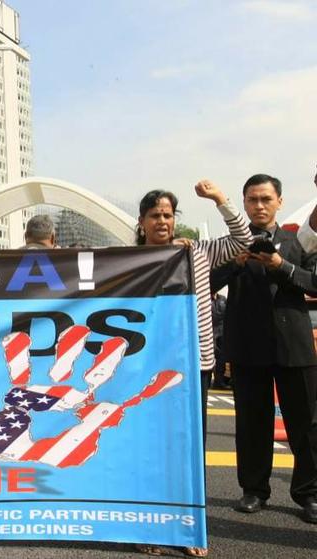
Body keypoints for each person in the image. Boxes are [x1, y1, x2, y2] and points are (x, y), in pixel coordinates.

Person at [135, 180, 251, 558]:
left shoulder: (197, 253)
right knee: (150, 446)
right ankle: (149, 526)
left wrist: (220, 199)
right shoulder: (126, 262)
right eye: (155, 216)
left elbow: (244, 241)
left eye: (168, 215)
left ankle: (189, 531)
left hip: (195, 366)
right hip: (146, 368)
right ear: (142, 222)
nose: (163, 221)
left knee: (188, 447)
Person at [210, 174, 317, 524]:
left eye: (265, 199)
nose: (259, 205)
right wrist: (234, 263)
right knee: (252, 423)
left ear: (279, 202)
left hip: (294, 345)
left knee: (306, 423)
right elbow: (205, 282)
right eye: (252, 199)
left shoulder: (298, 240)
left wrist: (280, 266)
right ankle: (254, 490)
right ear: (243, 204)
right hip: (247, 345)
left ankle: (309, 493)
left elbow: (313, 281)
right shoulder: (229, 244)